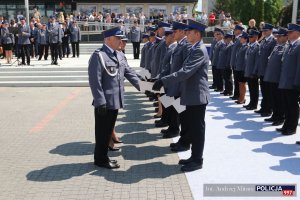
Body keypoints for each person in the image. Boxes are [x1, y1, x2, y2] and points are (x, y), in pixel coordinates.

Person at [153, 19, 210, 172]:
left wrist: (164, 80)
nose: (186, 34)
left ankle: (198, 160)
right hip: (191, 94)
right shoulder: (193, 48)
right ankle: (193, 156)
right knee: (192, 127)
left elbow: (185, 72)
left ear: (197, 34)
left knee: (197, 130)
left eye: (189, 32)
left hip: (197, 96)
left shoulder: (199, 50)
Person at [88, 27, 141, 169]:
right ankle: (100, 159)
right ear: (109, 39)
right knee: (102, 133)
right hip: (104, 103)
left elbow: (130, 74)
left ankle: (103, 157)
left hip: (116, 101)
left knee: (108, 131)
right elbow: (95, 81)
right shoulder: (99, 56)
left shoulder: (119, 55)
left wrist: (148, 86)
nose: (121, 41)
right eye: (118, 38)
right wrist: (100, 102)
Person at [277, 23, 300, 136]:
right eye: (288, 32)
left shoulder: (299, 45)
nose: (288, 34)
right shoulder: (289, 45)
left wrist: (297, 82)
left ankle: (292, 127)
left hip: (293, 82)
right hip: (285, 80)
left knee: (292, 105)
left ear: (297, 33)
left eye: (291, 32)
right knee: (286, 104)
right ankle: (286, 124)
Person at [263, 27, 288, 126]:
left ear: (286, 37)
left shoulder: (286, 47)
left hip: (278, 78)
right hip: (272, 77)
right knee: (273, 98)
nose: (277, 38)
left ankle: (280, 117)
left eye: (280, 36)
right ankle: (275, 115)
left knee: (279, 99)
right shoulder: (277, 46)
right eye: (277, 36)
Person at [254, 23, 277, 117]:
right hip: (262, 70)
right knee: (263, 90)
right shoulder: (263, 41)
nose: (264, 32)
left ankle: (268, 109)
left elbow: (271, 58)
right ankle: (264, 107)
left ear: (271, 30)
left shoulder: (273, 41)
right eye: (263, 31)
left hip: (268, 71)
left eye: (266, 30)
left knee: (269, 92)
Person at [243, 30, 260, 110]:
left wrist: (254, 72)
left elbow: (257, 61)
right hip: (248, 71)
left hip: (253, 72)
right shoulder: (250, 45)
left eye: (251, 37)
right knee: (251, 89)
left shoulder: (257, 46)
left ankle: (254, 104)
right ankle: (251, 103)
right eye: (249, 37)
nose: (249, 38)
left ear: (256, 37)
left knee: (254, 89)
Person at [230, 25, 244, 100]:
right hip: (235, 62)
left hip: (238, 62)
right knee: (236, 79)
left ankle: (238, 95)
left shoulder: (240, 39)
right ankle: (236, 94)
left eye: (235, 30)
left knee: (238, 80)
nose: (234, 31)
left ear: (239, 30)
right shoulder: (236, 39)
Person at [235, 31, 249, 104]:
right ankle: (241, 98)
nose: (240, 39)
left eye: (242, 38)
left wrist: (244, 69)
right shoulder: (242, 46)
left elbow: (245, 59)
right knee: (240, 83)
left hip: (242, 69)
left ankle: (242, 98)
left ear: (245, 39)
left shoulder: (246, 47)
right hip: (239, 68)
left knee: (242, 84)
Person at [212, 28, 225, 92]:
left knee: (219, 76)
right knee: (217, 75)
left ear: (222, 35)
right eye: (216, 34)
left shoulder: (222, 43)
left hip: (219, 62)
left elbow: (221, 54)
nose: (216, 35)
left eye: (218, 34)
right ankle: (218, 87)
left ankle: (220, 88)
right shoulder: (217, 42)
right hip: (215, 61)